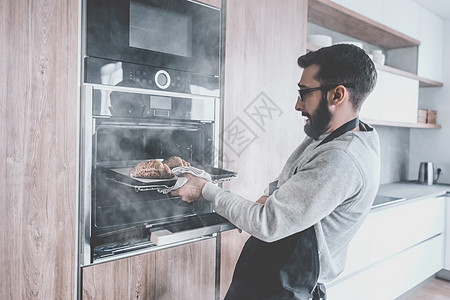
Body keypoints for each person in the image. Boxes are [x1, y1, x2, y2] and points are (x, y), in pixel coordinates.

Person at [171, 44, 380, 300]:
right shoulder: (331, 136)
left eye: (304, 93)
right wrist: (271, 196)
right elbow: (294, 179)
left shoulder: (341, 158)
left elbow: (268, 223)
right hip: (271, 275)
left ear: (337, 95)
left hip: (286, 288)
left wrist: (205, 189)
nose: (297, 104)